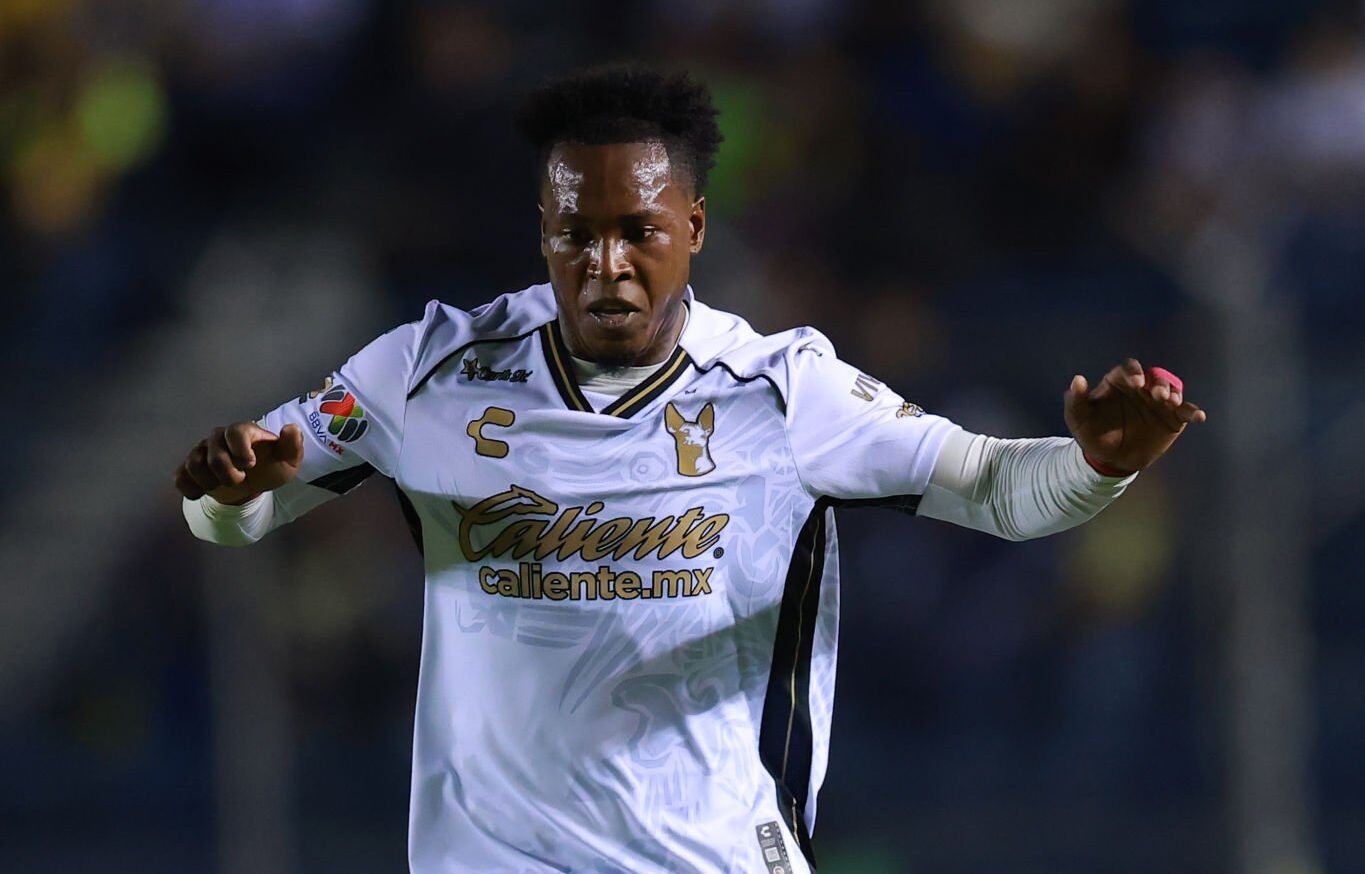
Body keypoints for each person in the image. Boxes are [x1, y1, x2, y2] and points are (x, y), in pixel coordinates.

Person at [175, 66, 1206, 873]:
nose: (607, 264)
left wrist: (1095, 465)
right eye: (576, 235)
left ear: (695, 229)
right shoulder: (427, 371)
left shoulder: (783, 390)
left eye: (639, 232)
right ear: (543, 233)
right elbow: (243, 510)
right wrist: (222, 497)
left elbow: (993, 487)